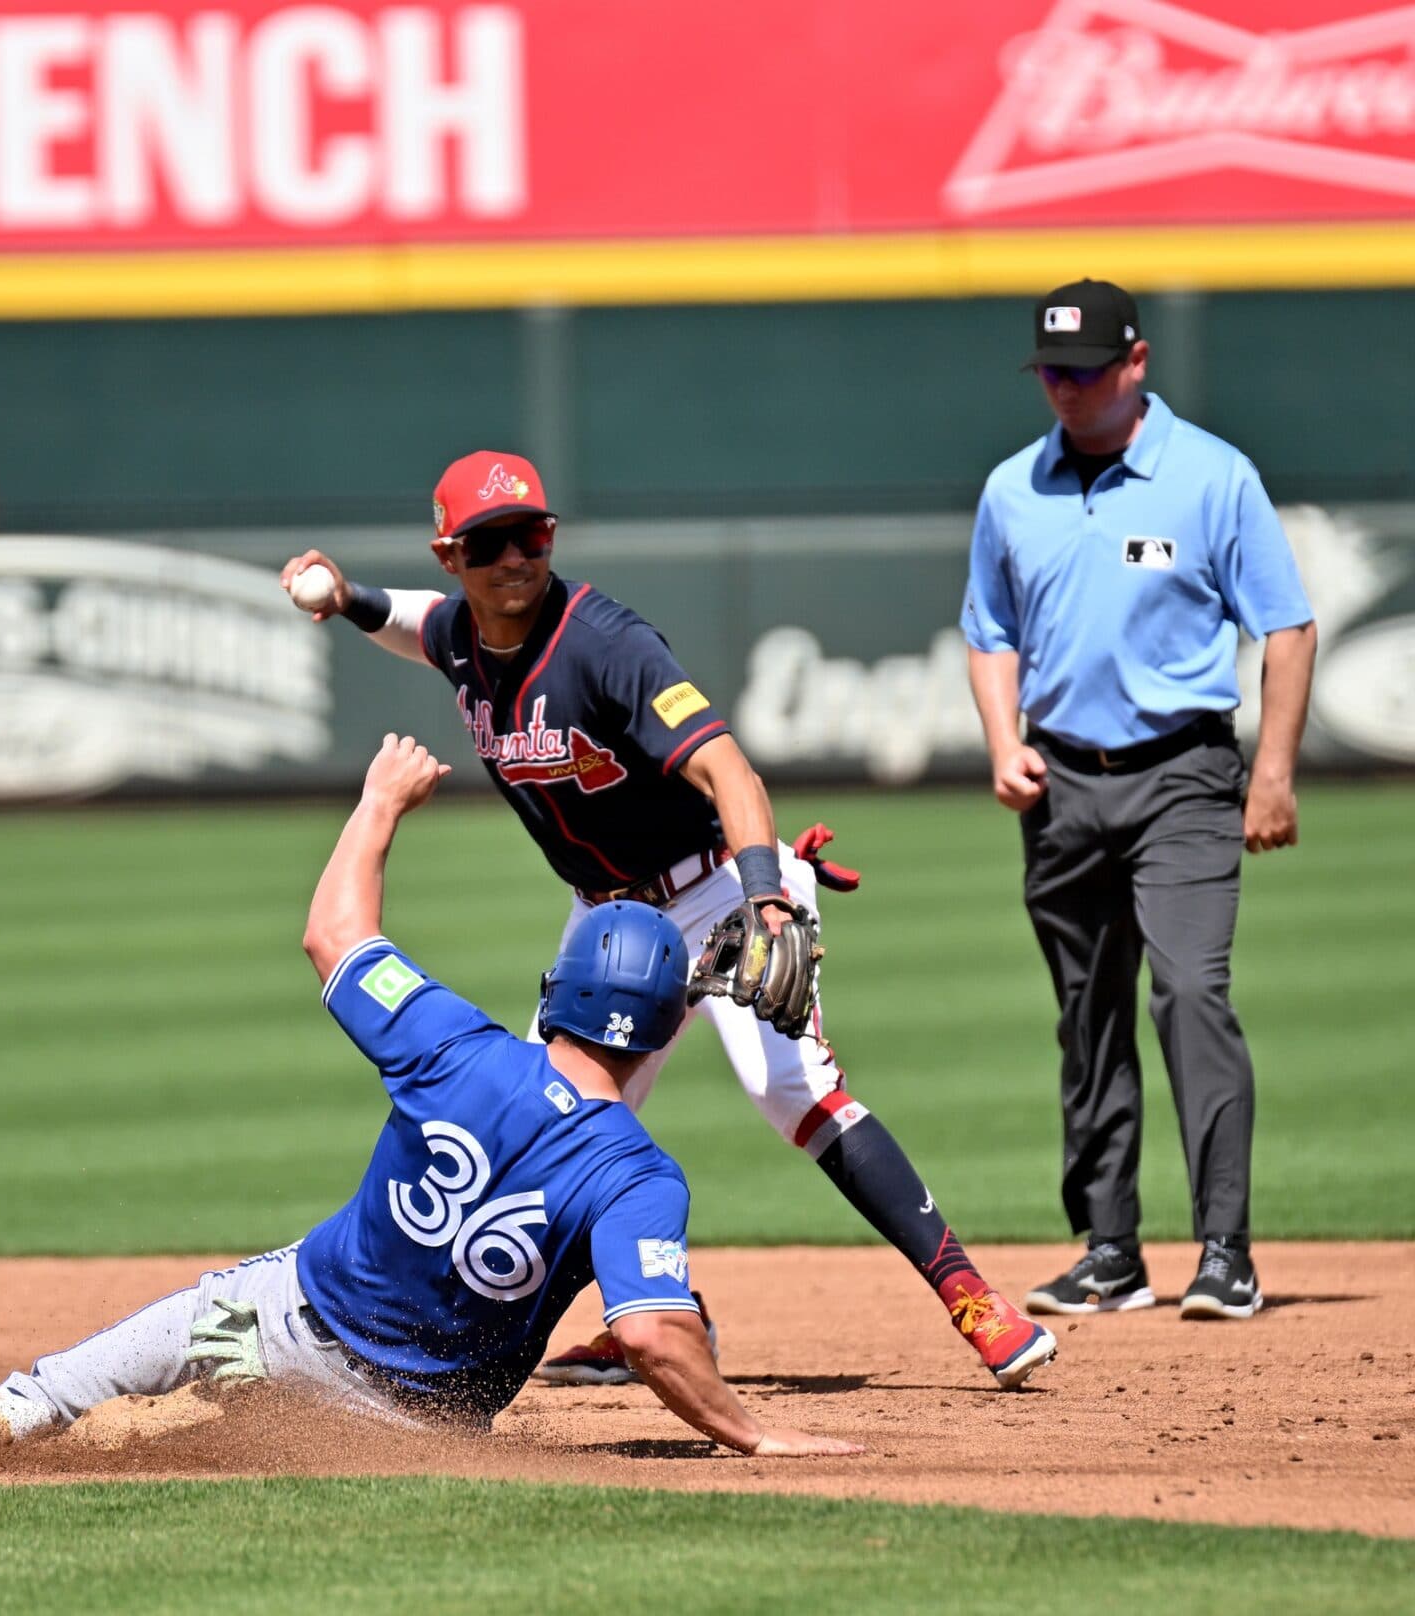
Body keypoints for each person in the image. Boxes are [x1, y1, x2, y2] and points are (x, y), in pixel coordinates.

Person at [280, 455, 1056, 1392]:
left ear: (552, 537)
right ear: (452, 556)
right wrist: (345, 596)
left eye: (531, 535)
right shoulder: (462, 635)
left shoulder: (605, 644)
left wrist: (767, 895)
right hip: (609, 925)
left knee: (792, 1091)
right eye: (489, 544)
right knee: (542, 1124)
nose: (516, 559)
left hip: (717, 892)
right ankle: (642, 1318)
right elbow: (418, 625)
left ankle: (974, 1299)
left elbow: (732, 771)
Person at [0, 735, 862, 1461]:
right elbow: (649, 1328)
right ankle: (191, 1427)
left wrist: (380, 800)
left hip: (285, 1331)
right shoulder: (636, 1175)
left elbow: (332, 933)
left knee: (193, 1327)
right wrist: (753, 1431)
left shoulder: (454, 1046)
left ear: (557, 989)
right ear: (657, 1026)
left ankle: (22, 1409)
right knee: (236, 1396)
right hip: (417, 1423)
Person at [964, 278, 1316, 1324]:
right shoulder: (1011, 488)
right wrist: (1001, 740)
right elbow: (989, 630)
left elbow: (1286, 627)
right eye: (1048, 372)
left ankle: (1225, 1248)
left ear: (1134, 363)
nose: (1062, 390)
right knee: (1087, 1015)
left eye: (1081, 370)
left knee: (1190, 993)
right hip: (1061, 782)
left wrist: (1273, 773)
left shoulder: (1211, 476)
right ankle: (1109, 1249)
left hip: (1183, 775)